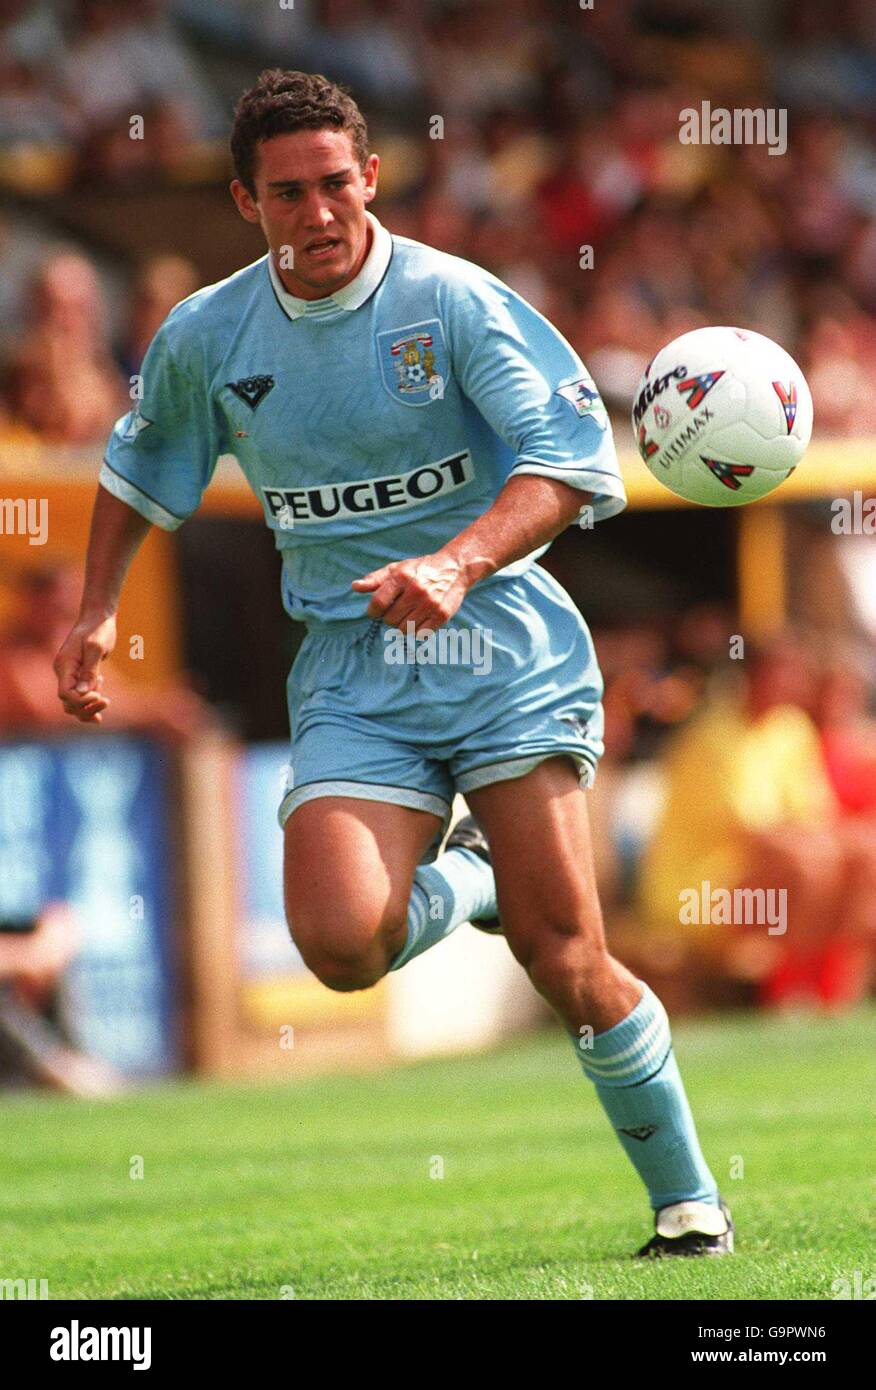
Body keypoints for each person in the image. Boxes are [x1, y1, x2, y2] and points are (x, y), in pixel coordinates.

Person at [54, 69, 732, 1258]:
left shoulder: (454, 302)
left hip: (501, 644)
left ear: (370, 178)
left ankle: (688, 1206)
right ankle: (468, 881)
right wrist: (96, 612)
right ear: (244, 202)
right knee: (340, 945)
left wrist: (459, 562)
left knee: (567, 956)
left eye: (335, 185)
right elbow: (135, 463)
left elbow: (569, 464)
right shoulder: (208, 335)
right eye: (288, 195)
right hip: (354, 668)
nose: (318, 214)